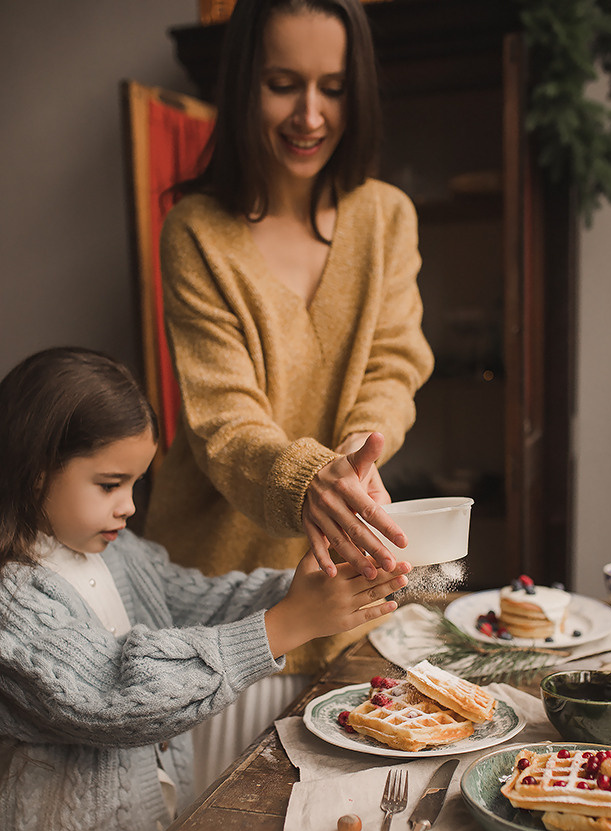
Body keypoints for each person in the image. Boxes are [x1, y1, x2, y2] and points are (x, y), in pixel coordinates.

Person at [0, 347, 409, 831]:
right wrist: (284, 626)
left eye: (136, 484)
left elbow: (193, 600)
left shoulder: (112, 548)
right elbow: (113, 697)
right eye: (109, 485)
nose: (129, 506)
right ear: (33, 472)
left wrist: (302, 590)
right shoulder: (13, 599)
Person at [144, 0, 434, 777]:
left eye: (332, 87)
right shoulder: (197, 231)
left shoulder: (385, 218)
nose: (309, 114)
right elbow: (223, 421)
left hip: (347, 590)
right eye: (282, 84)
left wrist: (356, 451)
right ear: (244, 86)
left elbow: (393, 363)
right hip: (218, 602)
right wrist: (311, 480)